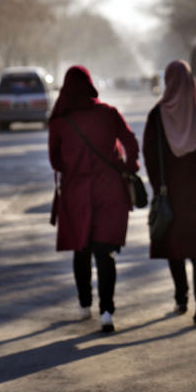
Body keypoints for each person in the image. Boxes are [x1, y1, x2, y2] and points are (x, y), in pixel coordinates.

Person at [48, 65, 140, 333]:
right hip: (110, 191)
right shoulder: (108, 113)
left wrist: (74, 168)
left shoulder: (60, 121)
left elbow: (55, 160)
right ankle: (107, 312)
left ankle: (84, 304)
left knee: (81, 249)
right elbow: (131, 142)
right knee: (105, 251)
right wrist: (128, 166)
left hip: (76, 193)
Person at [144, 60, 196, 326]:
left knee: (174, 244)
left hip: (171, 190)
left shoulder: (158, 115)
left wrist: (158, 186)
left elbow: (149, 153)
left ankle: (181, 298)